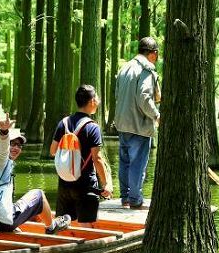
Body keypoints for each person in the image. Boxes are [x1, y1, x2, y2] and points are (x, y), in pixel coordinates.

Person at [0, 115, 71, 234]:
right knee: (39, 195)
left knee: (30, 209)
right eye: (12, 144)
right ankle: (52, 227)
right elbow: (2, 150)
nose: (16, 148)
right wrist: (4, 133)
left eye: (19, 145)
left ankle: (18, 223)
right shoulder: (0, 160)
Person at [50, 85, 114, 227]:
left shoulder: (64, 123)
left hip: (64, 184)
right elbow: (97, 159)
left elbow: (53, 151)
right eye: (96, 97)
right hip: (85, 185)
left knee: (65, 226)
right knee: (87, 228)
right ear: (91, 101)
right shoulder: (92, 127)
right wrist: (106, 184)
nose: (98, 100)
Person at [114, 36, 161, 209]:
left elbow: (117, 94)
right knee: (137, 164)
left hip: (122, 123)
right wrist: (156, 115)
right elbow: (144, 97)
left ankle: (125, 197)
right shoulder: (146, 69)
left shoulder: (125, 67)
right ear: (153, 54)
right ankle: (135, 199)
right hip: (139, 125)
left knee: (125, 162)